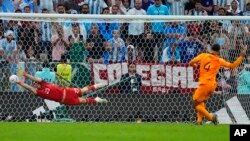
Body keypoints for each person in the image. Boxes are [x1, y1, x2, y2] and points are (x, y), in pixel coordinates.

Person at [189, 43, 247, 125]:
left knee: (195, 104)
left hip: (204, 84)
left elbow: (191, 62)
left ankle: (212, 118)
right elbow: (232, 65)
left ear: (211, 49)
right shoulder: (219, 60)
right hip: (212, 85)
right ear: (219, 51)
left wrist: (194, 65)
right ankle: (199, 121)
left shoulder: (203, 55)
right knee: (200, 101)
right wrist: (241, 56)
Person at [14, 69, 108, 105]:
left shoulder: (43, 83)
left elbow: (35, 78)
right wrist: (19, 82)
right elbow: (29, 88)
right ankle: (97, 100)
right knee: (84, 100)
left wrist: (25, 74)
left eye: (34, 82)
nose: (33, 84)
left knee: (83, 90)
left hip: (67, 92)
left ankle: (99, 84)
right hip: (65, 100)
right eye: (33, 83)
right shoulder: (39, 92)